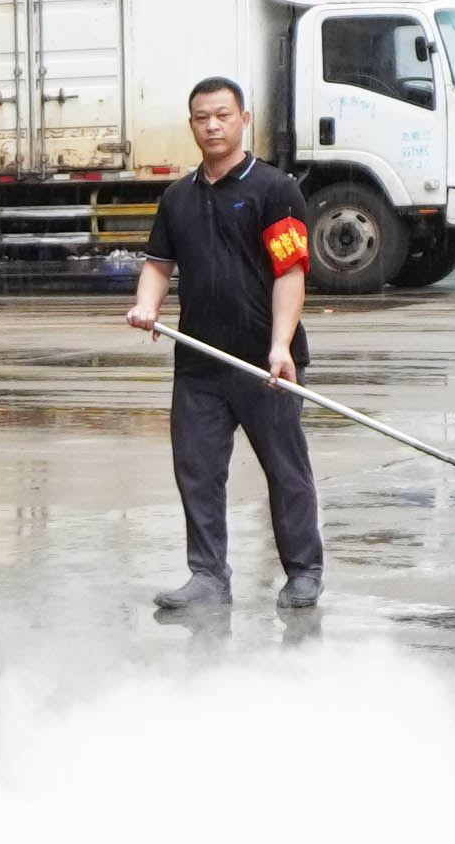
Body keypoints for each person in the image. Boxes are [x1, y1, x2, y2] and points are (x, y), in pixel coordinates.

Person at [124, 71, 319, 615]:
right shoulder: (178, 197)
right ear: (191, 124)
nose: (212, 126)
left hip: (265, 362)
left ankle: (304, 571)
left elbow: (290, 273)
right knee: (198, 472)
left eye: (222, 116)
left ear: (243, 119)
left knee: (285, 469)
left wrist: (280, 346)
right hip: (199, 363)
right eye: (202, 118)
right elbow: (158, 264)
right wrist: (147, 305)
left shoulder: (275, 190)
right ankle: (207, 575)